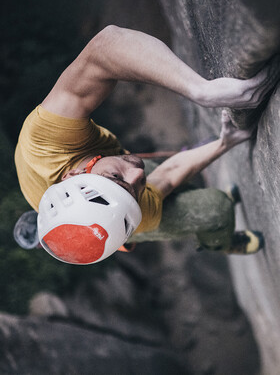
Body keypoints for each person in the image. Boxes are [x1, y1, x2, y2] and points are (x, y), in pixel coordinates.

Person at [14, 26, 279, 264]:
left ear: (73, 174)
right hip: (117, 220)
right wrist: (224, 143)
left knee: (155, 178)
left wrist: (201, 91)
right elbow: (168, 175)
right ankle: (221, 242)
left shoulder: (44, 142)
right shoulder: (138, 214)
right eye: (132, 189)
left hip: (77, 178)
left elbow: (105, 47)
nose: (139, 173)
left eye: (115, 177)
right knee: (216, 207)